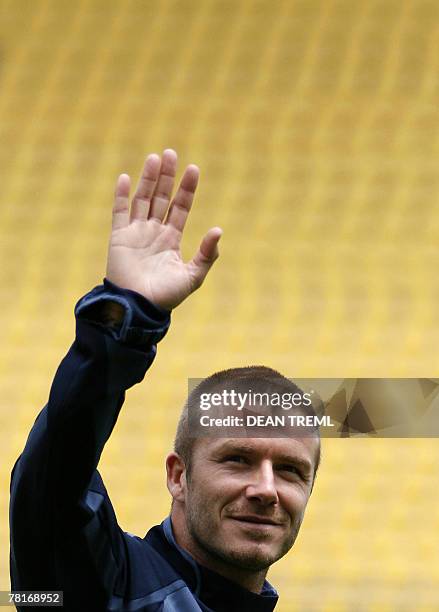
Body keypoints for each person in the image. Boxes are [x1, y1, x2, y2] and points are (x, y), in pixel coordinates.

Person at [9, 150, 320, 611]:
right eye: (236, 459)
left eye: (292, 471)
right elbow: (52, 482)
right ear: (178, 476)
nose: (266, 490)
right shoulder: (104, 584)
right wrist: (125, 318)